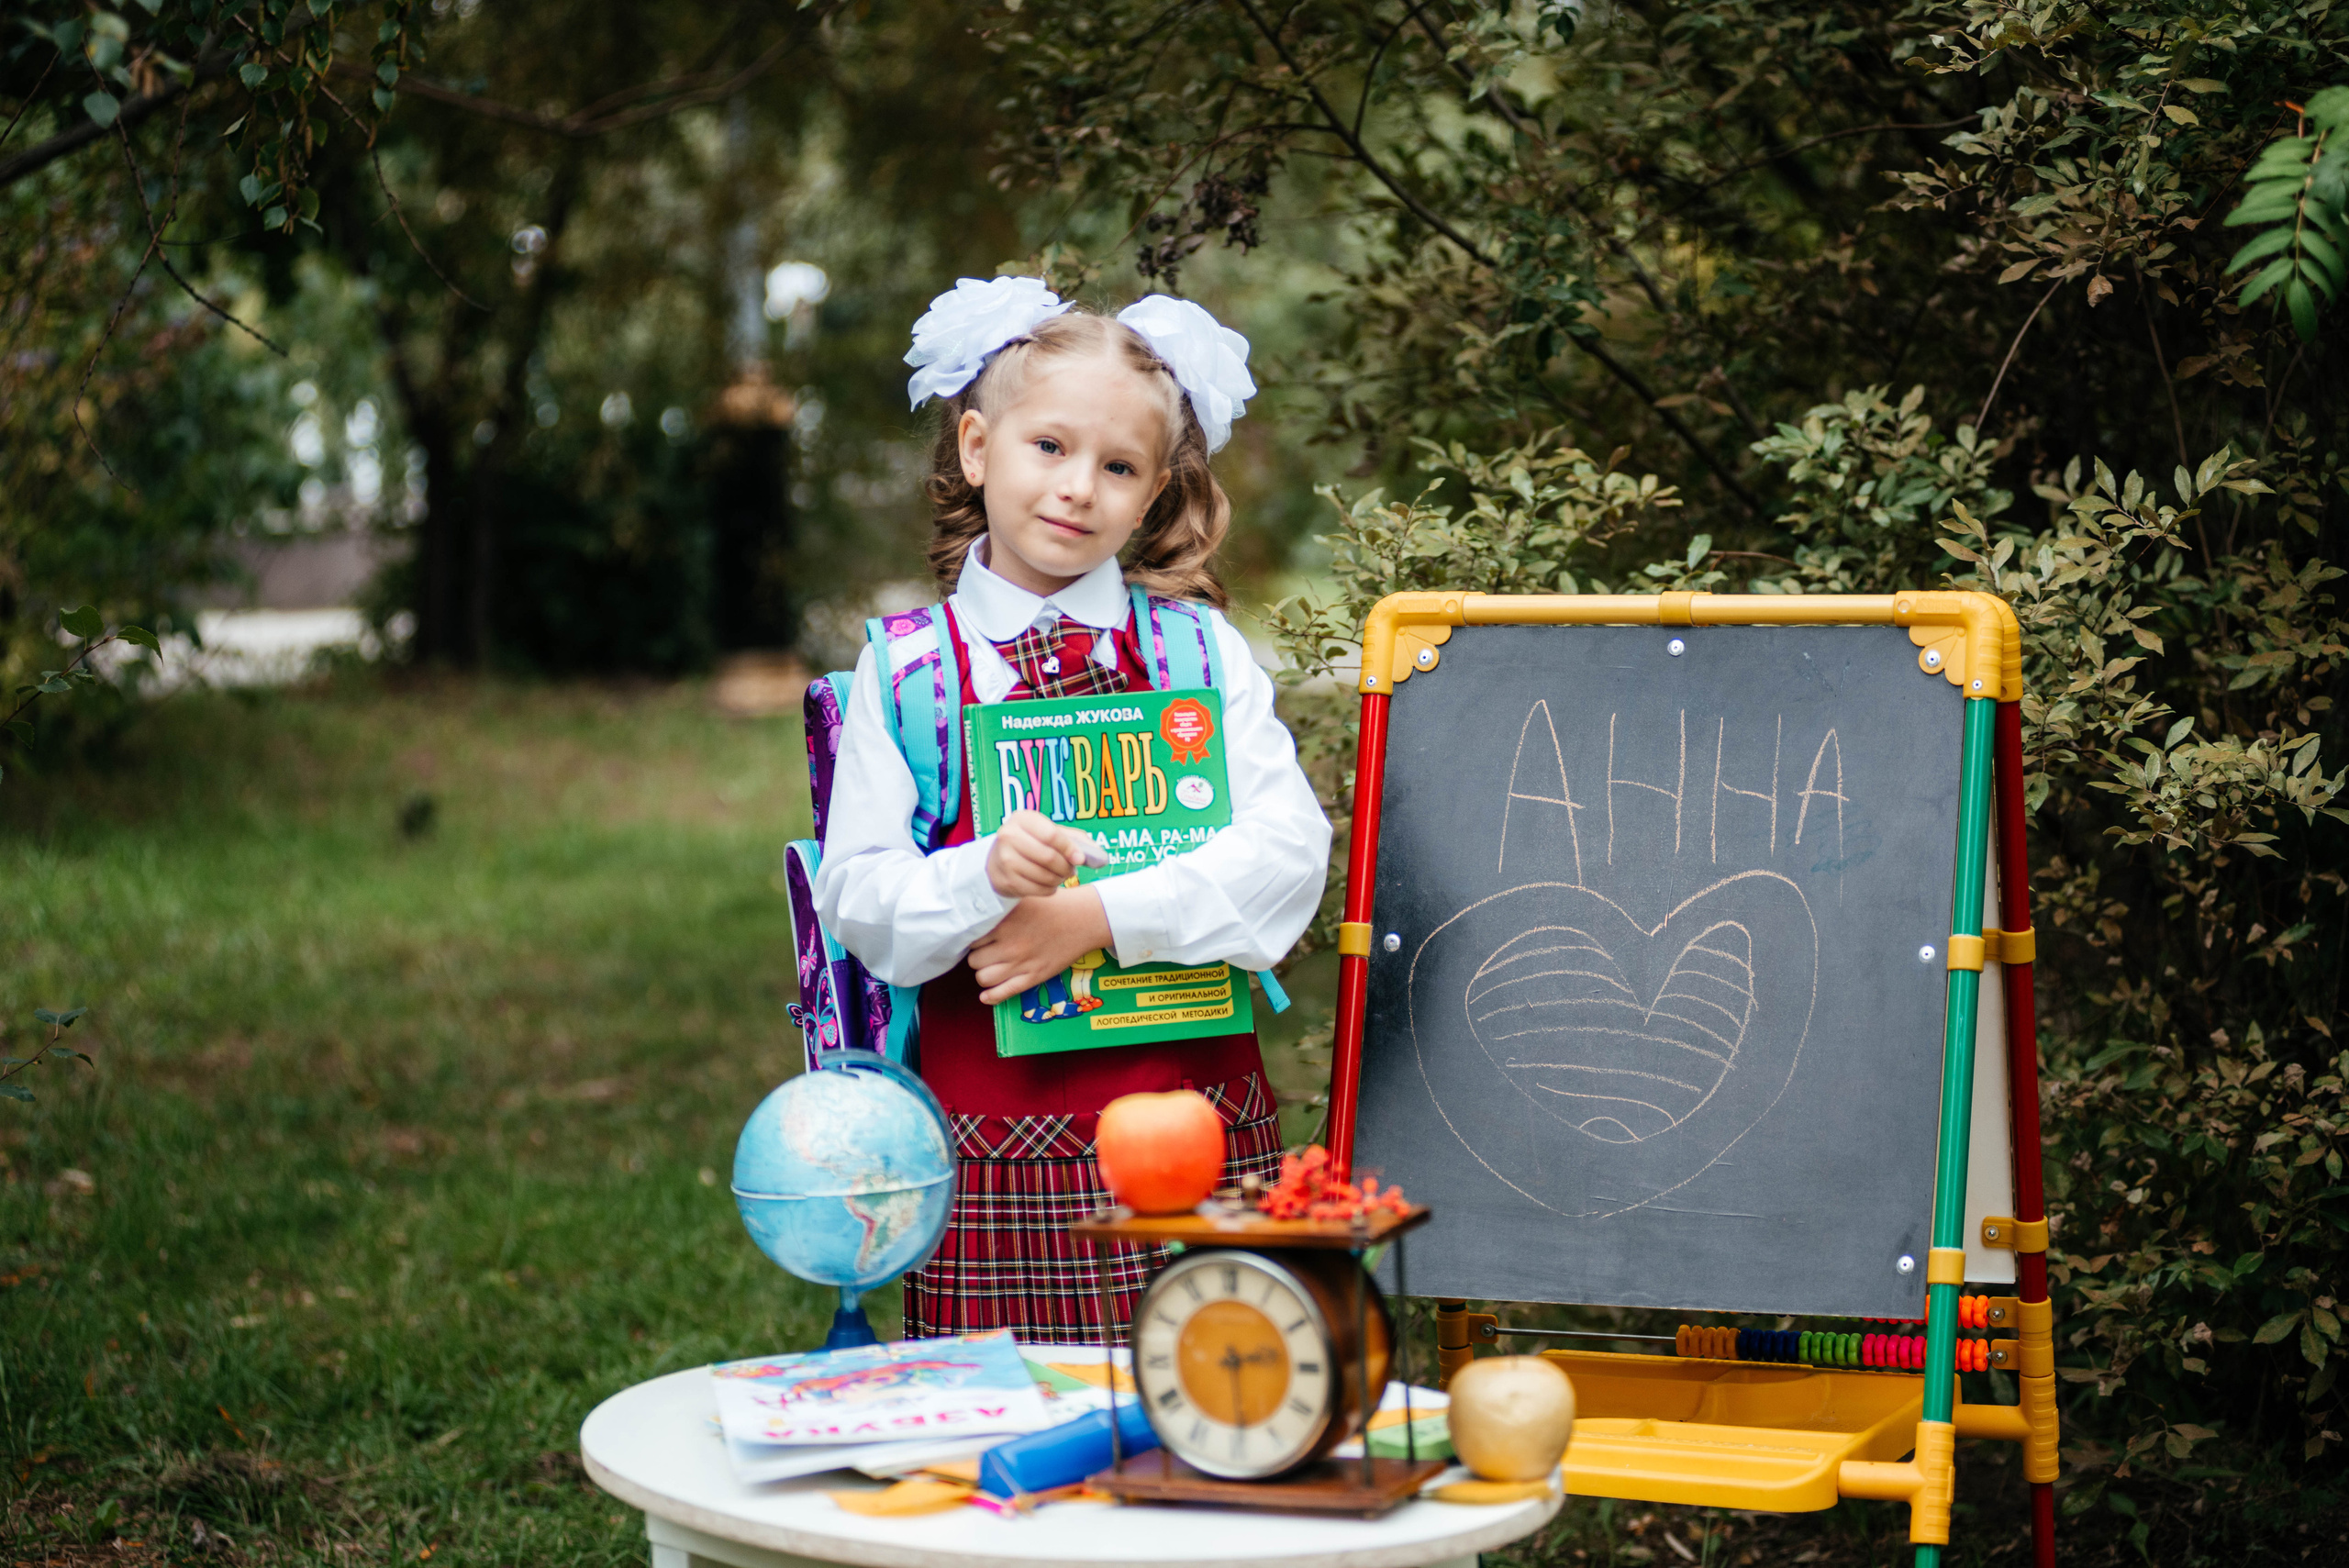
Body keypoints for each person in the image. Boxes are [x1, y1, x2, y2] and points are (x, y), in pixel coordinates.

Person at [815, 277, 1331, 1343]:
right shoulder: (910, 672)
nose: (1076, 487)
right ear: (975, 446)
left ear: (1151, 495)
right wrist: (982, 875)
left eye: (1117, 465)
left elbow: (1287, 855)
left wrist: (1096, 918)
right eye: (1047, 446)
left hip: (1194, 1121)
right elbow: (860, 900)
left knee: (1211, 1408)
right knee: (1000, 1430)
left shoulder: (1196, 654)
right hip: (993, 1129)